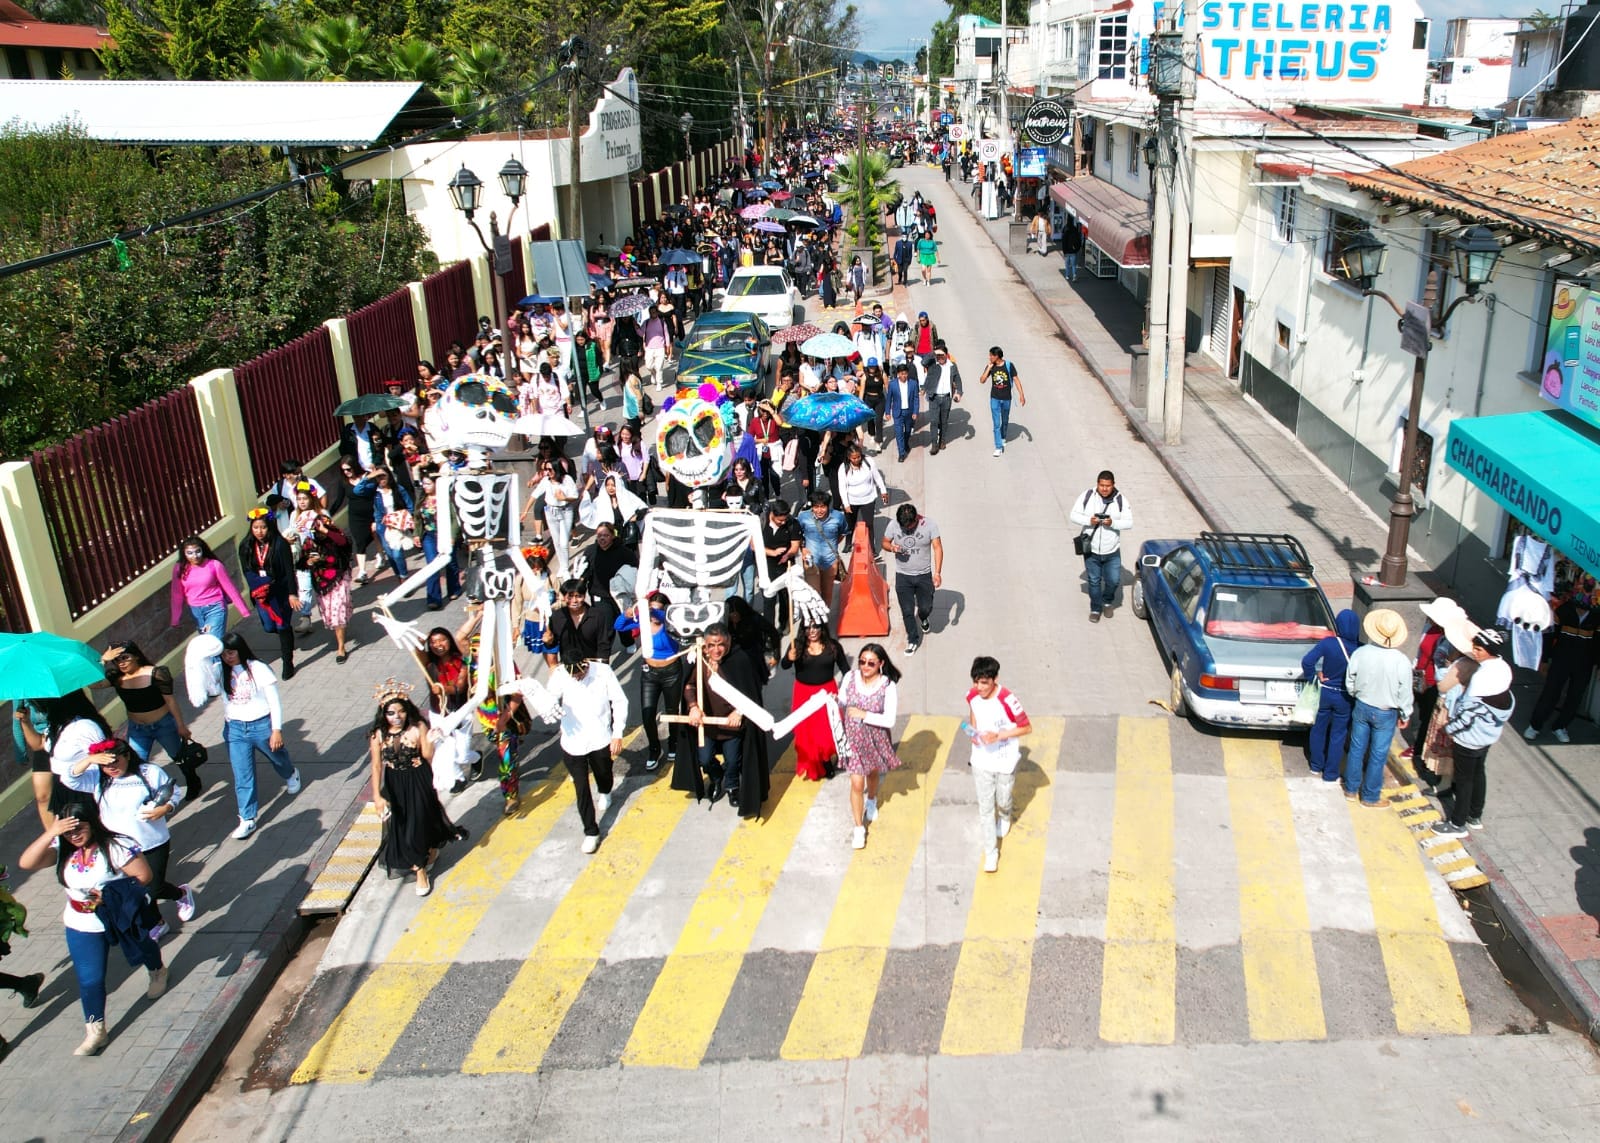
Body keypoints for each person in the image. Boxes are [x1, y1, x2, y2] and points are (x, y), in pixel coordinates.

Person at [15, 799, 166, 1056]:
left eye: (79, 828)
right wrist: (52, 832)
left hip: (118, 914)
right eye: (68, 830)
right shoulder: (62, 848)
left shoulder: (117, 846)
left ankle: (157, 970)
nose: (74, 835)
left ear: (93, 823)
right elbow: (26, 863)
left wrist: (110, 895)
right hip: (81, 922)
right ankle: (96, 1030)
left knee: (142, 946)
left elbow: (144, 876)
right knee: (90, 979)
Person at [81, 738, 193, 939]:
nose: (111, 769)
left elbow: (173, 791)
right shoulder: (97, 778)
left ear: (127, 756)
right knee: (137, 890)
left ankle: (181, 894)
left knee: (154, 887)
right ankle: (157, 922)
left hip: (152, 841)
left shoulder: (149, 772)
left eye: (115, 762)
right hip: (119, 848)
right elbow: (70, 777)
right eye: (105, 765)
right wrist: (90, 759)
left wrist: (166, 808)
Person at [200, 632, 301, 840]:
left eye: (231, 652)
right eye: (224, 654)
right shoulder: (220, 671)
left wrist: (276, 730)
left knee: (278, 758)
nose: (228, 657)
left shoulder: (258, 668)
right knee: (242, 774)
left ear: (240, 649)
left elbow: (274, 701)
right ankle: (247, 818)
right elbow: (208, 690)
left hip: (261, 726)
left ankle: (291, 773)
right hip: (235, 729)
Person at [369, 681, 465, 896]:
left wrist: (431, 739)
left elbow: (428, 756)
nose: (397, 716)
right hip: (394, 785)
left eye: (401, 711)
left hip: (419, 780)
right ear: (383, 713)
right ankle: (421, 864)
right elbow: (376, 766)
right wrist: (377, 796)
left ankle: (421, 868)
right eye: (391, 712)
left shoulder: (418, 727)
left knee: (420, 822)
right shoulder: (378, 734)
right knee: (404, 827)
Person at [540, 647, 629, 854]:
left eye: (581, 672)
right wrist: (547, 706)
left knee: (604, 773)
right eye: (574, 674)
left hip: (600, 738)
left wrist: (617, 732)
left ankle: (605, 791)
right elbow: (549, 698)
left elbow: (619, 700)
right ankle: (591, 831)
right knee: (581, 789)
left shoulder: (603, 671)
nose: (578, 677)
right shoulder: (560, 676)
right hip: (573, 741)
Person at [675, 622, 769, 818]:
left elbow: (751, 692)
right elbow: (689, 686)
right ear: (705, 645)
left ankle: (733, 785)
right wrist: (693, 707)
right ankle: (717, 777)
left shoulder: (739, 660)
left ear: (728, 642)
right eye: (711, 645)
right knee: (705, 759)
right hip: (707, 725)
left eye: (720, 644)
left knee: (733, 760)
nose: (716, 649)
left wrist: (739, 712)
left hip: (731, 726)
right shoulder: (699, 661)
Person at [965, 657, 1033, 873]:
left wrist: (1000, 735)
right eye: (977, 681)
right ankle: (991, 854)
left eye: (984, 682)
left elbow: (1026, 727)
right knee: (985, 809)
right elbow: (973, 712)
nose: (979, 687)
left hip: (1005, 759)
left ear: (995, 679)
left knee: (1002, 799)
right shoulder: (972, 695)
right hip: (981, 759)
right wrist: (974, 734)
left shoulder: (1007, 699)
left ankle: (1005, 815)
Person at [1433, 657, 1515, 837]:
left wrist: (1448, 729)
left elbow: (1463, 720)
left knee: (1464, 781)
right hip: (1485, 740)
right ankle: (1475, 815)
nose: (1475, 653)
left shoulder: (1478, 699)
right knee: (1478, 773)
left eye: (1478, 649)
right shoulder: (1504, 697)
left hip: (1467, 742)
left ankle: (1457, 823)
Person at [1342, 609, 1414, 807]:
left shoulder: (1361, 652)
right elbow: (1405, 691)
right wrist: (1405, 713)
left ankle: (1350, 788)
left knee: (1356, 749)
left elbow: (1350, 679)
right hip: (1386, 712)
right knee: (1377, 754)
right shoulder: (1401, 661)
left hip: (1362, 705)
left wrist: (1354, 693)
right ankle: (1370, 796)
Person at [840, 643, 903, 850]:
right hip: (853, 739)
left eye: (870, 663)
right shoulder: (850, 678)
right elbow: (842, 701)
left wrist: (864, 715)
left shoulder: (888, 686)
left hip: (875, 739)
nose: (865, 666)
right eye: (862, 662)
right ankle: (859, 828)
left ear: (881, 664)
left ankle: (872, 799)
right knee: (857, 784)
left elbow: (890, 720)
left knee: (872, 774)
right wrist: (834, 702)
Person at [1524, 577, 1599, 743]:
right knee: (1551, 692)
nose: (1585, 592)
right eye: (1583, 589)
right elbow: (1550, 637)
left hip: (1584, 665)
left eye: (1589, 589)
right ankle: (1535, 725)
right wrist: (1544, 660)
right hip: (1561, 660)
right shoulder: (1564, 611)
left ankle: (1560, 726)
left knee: (1575, 697)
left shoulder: (1596, 616)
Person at [237, 507, 300, 679]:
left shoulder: (280, 544)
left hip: (280, 591)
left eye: (263, 527)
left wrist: (292, 594)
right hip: (261, 593)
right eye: (256, 527)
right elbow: (247, 572)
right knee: (268, 626)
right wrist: (262, 584)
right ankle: (285, 635)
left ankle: (288, 662)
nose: (259, 531)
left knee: (282, 626)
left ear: (270, 526)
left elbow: (288, 570)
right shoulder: (245, 546)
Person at [783, 620, 847, 781]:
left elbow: (846, 670)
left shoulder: (833, 646)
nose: (812, 630)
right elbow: (784, 665)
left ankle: (826, 760)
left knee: (827, 731)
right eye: (807, 627)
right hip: (803, 694)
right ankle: (816, 761)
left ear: (822, 627)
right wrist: (789, 659)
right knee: (808, 733)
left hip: (827, 693)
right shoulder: (796, 646)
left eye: (815, 626)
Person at [1300, 609, 1359, 783]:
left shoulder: (1329, 643)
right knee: (1338, 734)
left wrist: (1313, 676)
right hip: (1345, 696)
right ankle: (1331, 773)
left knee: (1318, 729)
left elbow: (1307, 661)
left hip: (1325, 692)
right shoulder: (1360, 648)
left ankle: (1316, 765)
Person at [1068, 470, 1134, 622]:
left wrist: (1113, 523)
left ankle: (1107, 601)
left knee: (1113, 580)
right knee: (1094, 581)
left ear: (1113, 485)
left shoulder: (1121, 500)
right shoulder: (1087, 496)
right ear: (1097, 484)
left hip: (1112, 551)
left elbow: (1129, 522)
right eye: (1101, 485)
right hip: (1091, 550)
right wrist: (1089, 521)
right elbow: (1073, 515)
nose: (1104, 489)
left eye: (1108, 486)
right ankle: (1096, 609)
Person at [881, 504, 943, 657]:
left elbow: (937, 548)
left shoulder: (929, 525)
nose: (906, 529)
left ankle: (923, 618)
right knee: (907, 611)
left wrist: (937, 573)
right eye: (904, 527)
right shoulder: (894, 525)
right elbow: (885, 542)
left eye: (909, 526)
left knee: (925, 607)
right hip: (903, 576)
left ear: (916, 519)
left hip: (924, 575)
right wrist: (892, 548)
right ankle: (913, 640)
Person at [169, 536, 249, 643]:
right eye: (190, 553)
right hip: (196, 611)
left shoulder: (214, 565)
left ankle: (218, 660)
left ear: (203, 550)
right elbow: (177, 594)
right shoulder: (179, 568)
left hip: (215, 608)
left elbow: (230, 588)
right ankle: (226, 658)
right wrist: (175, 617)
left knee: (213, 642)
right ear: (184, 554)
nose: (195, 556)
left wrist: (243, 610)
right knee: (207, 642)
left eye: (198, 551)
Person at [636, 592, 683, 773]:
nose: (652, 613)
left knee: (672, 711)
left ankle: (674, 743)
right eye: (651, 608)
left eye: (657, 609)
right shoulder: (644, 622)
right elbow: (620, 625)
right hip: (649, 673)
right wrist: (629, 613)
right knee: (648, 714)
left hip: (671, 671)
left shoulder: (669, 622)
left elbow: (662, 617)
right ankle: (654, 749)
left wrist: (654, 612)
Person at [545, 578, 615, 667]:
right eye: (570, 597)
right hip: (569, 668)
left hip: (593, 666)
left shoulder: (597, 616)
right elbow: (552, 644)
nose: (574, 601)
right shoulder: (556, 617)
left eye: (578, 596)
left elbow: (603, 645)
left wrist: (602, 667)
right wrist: (549, 642)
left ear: (584, 596)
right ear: (563, 597)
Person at [798, 492, 847, 616]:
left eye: (822, 507)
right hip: (811, 562)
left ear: (827, 506)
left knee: (827, 593)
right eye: (816, 507)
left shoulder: (838, 517)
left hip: (830, 561)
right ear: (812, 506)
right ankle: (813, 621)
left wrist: (832, 546)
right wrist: (802, 548)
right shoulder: (803, 517)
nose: (819, 510)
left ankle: (824, 621)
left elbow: (842, 533)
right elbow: (797, 536)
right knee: (812, 593)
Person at [836, 443, 888, 553]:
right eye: (854, 458)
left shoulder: (868, 462)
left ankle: (872, 549)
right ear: (849, 457)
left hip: (868, 498)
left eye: (858, 457)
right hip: (852, 500)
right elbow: (842, 487)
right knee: (850, 524)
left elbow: (877, 477)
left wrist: (883, 491)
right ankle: (848, 542)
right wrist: (846, 504)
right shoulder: (843, 468)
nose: (856, 460)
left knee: (869, 524)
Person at [981, 345, 1025, 457]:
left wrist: (1021, 395)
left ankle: (1003, 436)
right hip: (994, 398)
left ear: (997, 356)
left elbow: (1016, 379)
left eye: (991, 355)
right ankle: (998, 447)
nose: (989, 357)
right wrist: (988, 369)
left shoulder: (1009, 366)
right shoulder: (990, 366)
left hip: (1006, 398)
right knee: (996, 424)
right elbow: (982, 380)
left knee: (1005, 420)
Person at [920, 341, 963, 456]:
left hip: (946, 398)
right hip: (934, 397)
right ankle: (934, 444)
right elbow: (923, 362)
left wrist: (959, 392)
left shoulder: (952, 366)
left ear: (946, 355)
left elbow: (957, 379)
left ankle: (942, 441)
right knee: (934, 421)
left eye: (942, 355)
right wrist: (933, 353)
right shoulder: (933, 364)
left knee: (944, 421)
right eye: (938, 356)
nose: (940, 358)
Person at [885, 361, 920, 463]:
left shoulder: (913, 384)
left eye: (905, 373)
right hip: (897, 413)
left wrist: (915, 412)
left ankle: (905, 443)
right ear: (898, 374)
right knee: (899, 433)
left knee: (908, 431)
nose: (903, 375)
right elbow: (889, 399)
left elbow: (916, 399)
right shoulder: (892, 384)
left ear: (907, 373)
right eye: (901, 373)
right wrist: (887, 412)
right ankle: (901, 453)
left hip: (909, 412)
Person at [1060, 217, 1082, 282]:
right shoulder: (1075, 229)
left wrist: (1064, 251)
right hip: (1073, 251)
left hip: (1067, 251)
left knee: (1067, 264)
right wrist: (1077, 249)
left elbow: (1063, 241)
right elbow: (1078, 240)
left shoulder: (1065, 229)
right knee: (1073, 264)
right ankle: (1074, 275)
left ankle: (1067, 275)